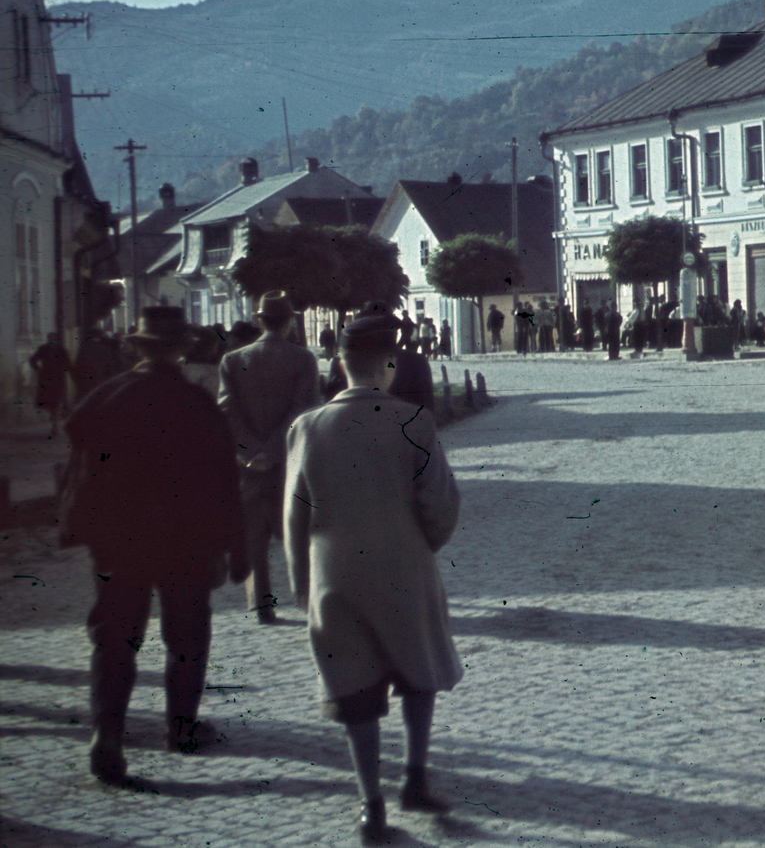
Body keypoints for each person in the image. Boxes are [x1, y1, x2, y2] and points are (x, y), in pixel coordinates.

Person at [285, 310, 462, 842]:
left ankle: (371, 804)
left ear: (339, 364)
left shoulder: (308, 428)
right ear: (388, 363)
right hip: (404, 567)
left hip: (334, 576)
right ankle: (415, 776)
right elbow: (442, 504)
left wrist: (304, 584)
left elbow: (294, 516)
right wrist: (418, 545)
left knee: (352, 687)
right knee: (418, 673)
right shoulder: (413, 421)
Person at [58, 306, 246, 783]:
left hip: (118, 542)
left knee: (115, 639)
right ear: (182, 349)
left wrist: (82, 530)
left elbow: (81, 473)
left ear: (135, 348)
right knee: (186, 637)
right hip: (185, 541)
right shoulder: (197, 405)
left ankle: (108, 736)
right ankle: (180, 727)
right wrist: (230, 548)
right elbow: (223, 483)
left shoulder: (105, 399)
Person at [216, 291, 323, 624]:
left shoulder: (232, 361)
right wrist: (275, 448)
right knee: (300, 530)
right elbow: (304, 410)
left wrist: (250, 450)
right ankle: (308, 599)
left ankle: (261, 603)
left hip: (248, 466)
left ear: (258, 321)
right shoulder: (303, 359)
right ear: (290, 322)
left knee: (254, 535)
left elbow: (227, 410)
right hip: (290, 459)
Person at [28, 332, 71, 436]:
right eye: (50, 338)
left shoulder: (61, 350)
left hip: (58, 379)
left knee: (56, 402)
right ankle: (55, 425)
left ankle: (55, 426)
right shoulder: (43, 349)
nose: (52, 340)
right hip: (47, 379)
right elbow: (33, 359)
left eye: (53, 338)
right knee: (51, 403)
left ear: (56, 339)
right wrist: (38, 369)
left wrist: (70, 372)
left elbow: (68, 363)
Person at [71, 325, 126, 405]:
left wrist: (77, 379)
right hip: (100, 378)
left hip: (85, 379)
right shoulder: (105, 348)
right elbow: (110, 365)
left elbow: (77, 365)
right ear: (100, 336)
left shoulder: (84, 348)